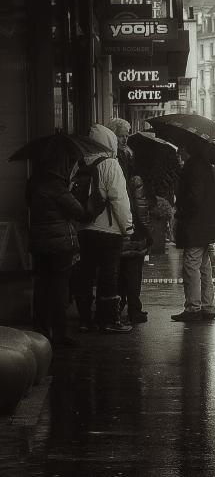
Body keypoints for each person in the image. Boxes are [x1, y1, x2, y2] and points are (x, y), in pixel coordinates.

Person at [74, 124, 135, 334]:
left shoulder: (80, 163)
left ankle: (84, 319)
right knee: (109, 275)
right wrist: (128, 228)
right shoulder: (111, 164)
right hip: (108, 231)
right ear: (110, 142)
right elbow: (119, 200)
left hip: (84, 229)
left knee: (86, 273)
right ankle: (109, 318)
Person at [26, 153, 85, 349]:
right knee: (59, 289)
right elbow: (78, 211)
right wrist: (71, 190)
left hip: (38, 242)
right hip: (59, 245)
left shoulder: (32, 184)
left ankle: (41, 333)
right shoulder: (56, 185)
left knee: (41, 288)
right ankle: (59, 335)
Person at [105, 117, 151, 325]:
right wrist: (140, 228)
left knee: (120, 271)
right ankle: (132, 309)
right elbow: (132, 201)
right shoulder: (121, 163)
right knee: (131, 270)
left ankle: (122, 307)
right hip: (127, 224)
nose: (125, 138)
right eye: (122, 135)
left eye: (126, 134)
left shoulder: (116, 160)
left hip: (119, 224)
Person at [171, 142, 215, 322]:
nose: (178, 153)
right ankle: (207, 306)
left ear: (186, 148)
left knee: (191, 265)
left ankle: (193, 307)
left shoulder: (194, 167)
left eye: (180, 149)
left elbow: (194, 198)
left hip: (196, 225)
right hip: (205, 225)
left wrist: (180, 213)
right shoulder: (203, 164)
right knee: (204, 266)